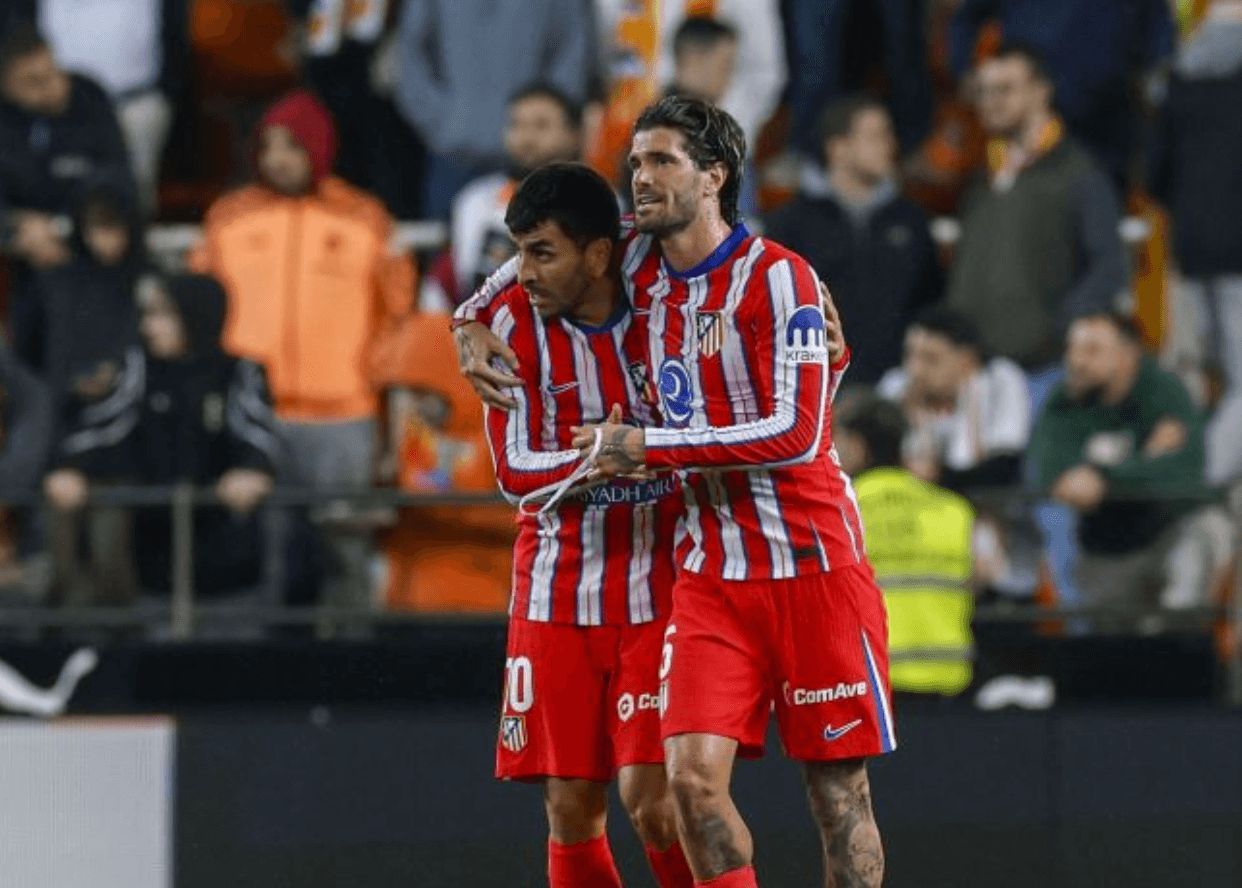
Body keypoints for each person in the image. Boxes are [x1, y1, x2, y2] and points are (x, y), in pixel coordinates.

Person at [455, 98, 878, 887]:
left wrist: (644, 448)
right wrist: (468, 314)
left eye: (661, 162)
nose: (640, 178)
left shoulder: (780, 279)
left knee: (834, 795)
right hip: (702, 577)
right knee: (678, 789)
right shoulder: (634, 270)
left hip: (806, 559)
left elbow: (791, 433)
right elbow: (544, 251)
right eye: (636, 163)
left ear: (714, 176)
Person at [467, 163, 694, 888]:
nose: (523, 273)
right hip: (555, 591)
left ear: (598, 255)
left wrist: (643, 455)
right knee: (570, 809)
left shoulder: (664, 301)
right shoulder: (507, 330)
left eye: (542, 253)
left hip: (658, 590)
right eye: (520, 253)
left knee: (654, 800)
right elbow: (514, 472)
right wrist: (598, 459)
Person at [189, 89, 414, 619]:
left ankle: (354, 668)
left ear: (317, 147)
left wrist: (377, 397)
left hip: (342, 415)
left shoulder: (366, 219)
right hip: (255, 418)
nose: (278, 159)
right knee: (261, 551)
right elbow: (201, 314)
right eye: (268, 146)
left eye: (291, 146)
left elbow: (396, 317)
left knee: (346, 550)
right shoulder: (227, 218)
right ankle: (266, 672)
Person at [44, 274, 277, 605]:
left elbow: (256, 429)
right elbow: (105, 423)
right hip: (154, 561)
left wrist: (253, 469)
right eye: (148, 315)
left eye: (163, 315)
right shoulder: (138, 368)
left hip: (229, 561)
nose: (150, 327)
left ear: (195, 315)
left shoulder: (240, 371)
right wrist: (72, 466)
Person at [946, 43, 1125, 395]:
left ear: (1041, 91)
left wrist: (1058, 330)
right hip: (977, 378)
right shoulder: (982, 180)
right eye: (983, 92)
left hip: (1045, 374)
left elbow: (1110, 266)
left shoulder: (1079, 173)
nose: (990, 101)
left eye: (1005, 89)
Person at [1029, 313, 1231, 623]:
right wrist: (1147, 456)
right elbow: (1053, 476)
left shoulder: (1164, 389)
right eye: (1071, 349)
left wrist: (1105, 477)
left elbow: (1186, 472)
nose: (1075, 361)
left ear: (1127, 356)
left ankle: (1187, 642)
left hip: (1167, 531)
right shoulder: (1064, 400)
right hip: (1105, 547)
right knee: (1115, 652)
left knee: (1209, 528)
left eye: (1092, 350)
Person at [766, 95, 940, 385]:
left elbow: (929, 303)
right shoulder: (790, 225)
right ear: (838, 149)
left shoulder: (912, 221)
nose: (890, 146)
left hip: (894, 390)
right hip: (816, 391)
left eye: (889, 135)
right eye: (876, 136)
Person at [0, 23, 135, 372]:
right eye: (33, 82)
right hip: (22, 259)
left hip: (87, 242)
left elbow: (116, 174)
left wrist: (94, 217)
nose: (53, 88)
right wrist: (13, 229)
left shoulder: (88, 95)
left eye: (52, 73)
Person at [1149, 0, 1242, 485]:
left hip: (1188, 253)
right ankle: (1190, 487)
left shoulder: (1179, 77)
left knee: (1192, 382)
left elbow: (1155, 175)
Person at [393, 0, 594, 219]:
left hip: (536, 160)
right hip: (453, 157)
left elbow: (572, 50)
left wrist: (544, 124)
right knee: (448, 249)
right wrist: (445, 124)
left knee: (550, 244)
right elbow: (410, 55)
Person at [949, 0, 1173, 191]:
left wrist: (1155, 86)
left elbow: (1158, 27)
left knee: (1098, 209)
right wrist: (966, 71)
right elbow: (966, 18)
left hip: (1105, 117)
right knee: (1023, 205)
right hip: (1028, 112)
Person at [836, 394, 976, 696]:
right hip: (947, 683)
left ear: (858, 445)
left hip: (868, 684)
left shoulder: (838, 512)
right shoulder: (954, 510)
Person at [378, 311, 515, 614]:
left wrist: (438, 508)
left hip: (483, 601)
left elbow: (520, 518)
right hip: (409, 605)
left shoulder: (499, 430)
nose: (413, 404)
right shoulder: (409, 435)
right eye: (406, 393)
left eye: (421, 391)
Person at [36, 0, 188, 212]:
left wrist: (168, 90)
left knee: (133, 194)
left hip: (136, 100)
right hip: (60, 105)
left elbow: (176, 31)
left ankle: (136, 242)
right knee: (59, 185)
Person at [448, 84, 582, 303]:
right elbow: (470, 286)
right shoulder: (476, 201)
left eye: (541, 125)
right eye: (516, 125)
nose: (526, 138)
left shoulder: (602, 199)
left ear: (574, 134)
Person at [877, 306, 1029, 489]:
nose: (915, 370)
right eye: (910, 355)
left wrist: (939, 474)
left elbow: (1002, 467)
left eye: (930, 359)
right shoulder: (896, 386)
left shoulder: (1000, 379)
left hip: (983, 502)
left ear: (967, 360)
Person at [35, 185, 143, 423]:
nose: (101, 239)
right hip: (64, 406)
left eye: (110, 226)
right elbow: (47, 344)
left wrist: (114, 371)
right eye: (94, 227)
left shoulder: (146, 279)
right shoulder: (60, 282)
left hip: (132, 406)